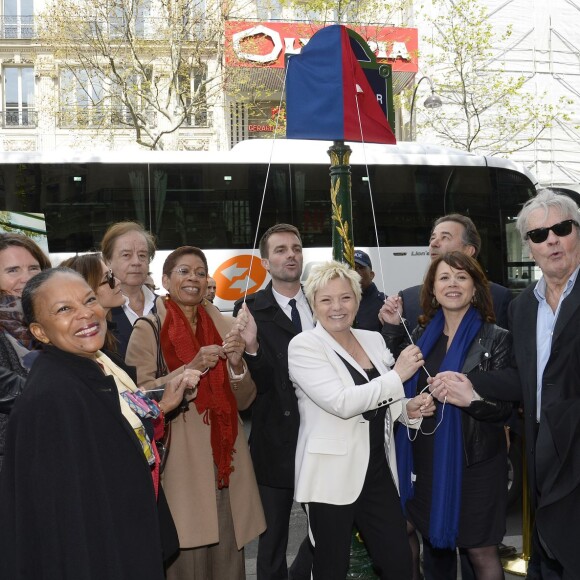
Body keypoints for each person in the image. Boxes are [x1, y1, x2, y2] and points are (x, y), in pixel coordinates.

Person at [0, 267, 201, 579]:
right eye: (64, 309)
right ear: (40, 332)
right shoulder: (53, 395)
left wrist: (161, 408)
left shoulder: (91, 369)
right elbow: (60, 522)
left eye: (89, 300)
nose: (86, 314)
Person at [430, 190, 580, 579]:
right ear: (528, 247)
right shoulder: (523, 305)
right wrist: (470, 384)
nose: (551, 240)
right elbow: (521, 378)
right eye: (537, 234)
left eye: (561, 229)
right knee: (551, 548)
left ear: (576, 232)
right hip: (542, 445)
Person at [287, 260, 435, 580]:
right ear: (313, 304)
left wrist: (408, 410)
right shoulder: (304, 346)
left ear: (357, 298)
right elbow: (341, 403)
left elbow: (384, 401)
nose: (337, 307)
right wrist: (398, 376)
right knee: (331, 567)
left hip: (378, 470)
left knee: (398, 562)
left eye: (345, 297)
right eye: (326, 300)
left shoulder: (373, 339)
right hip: (330, 475)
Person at [126, 246, 265, 580]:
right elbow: (139, 399)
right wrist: (191, 367)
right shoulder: (149, 328)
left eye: (201, 272)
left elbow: (245, 401)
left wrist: (235, 365)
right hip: (181, 467)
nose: (193, 279)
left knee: (230, 564)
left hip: (226, 462)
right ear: (164, 280)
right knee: (186, 563)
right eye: (183, 271)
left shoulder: (225, 325)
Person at [381, 252, 513, 580]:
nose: (452, 284)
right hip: (422, 460)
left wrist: (470, 400)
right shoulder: (418, 335)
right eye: (444, 278)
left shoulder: (497, 338)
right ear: (433, 289)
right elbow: (389, 384)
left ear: (475, 289)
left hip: (476, 463)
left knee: (481, 550)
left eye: (461, 277)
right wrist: (392, 331)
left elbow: (505, 411)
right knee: (405, 530)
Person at [233, 223, 314, 580]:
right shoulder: (249, 308)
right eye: (280, 250)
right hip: (273, 439)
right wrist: (251, 348)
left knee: (328, 531)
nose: (290, 255)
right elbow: (259, 387)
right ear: (266, 262)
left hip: (321, 435)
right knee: (272, 543)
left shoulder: (322, 300)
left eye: (295, 248)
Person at [387, 214, 513, 331]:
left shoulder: (498, 297)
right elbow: (396, 351)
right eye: (432, 238)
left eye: (445, 237)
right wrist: (391, 327)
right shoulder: (408, 299)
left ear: (469, 250)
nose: (433, 244)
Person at [0, 233, 51, 472]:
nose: (27, 278)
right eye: (13, 270)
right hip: (13, 466)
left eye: (34, 267)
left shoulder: (59, 324)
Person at [101, 221, 157, 357]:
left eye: (142, 255)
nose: (136, 262)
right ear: (108, 261)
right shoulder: (100, 310)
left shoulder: (165, 306)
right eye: (126, 255)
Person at [61, 253, 126, 352]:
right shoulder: (86, 343)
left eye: (111, 275)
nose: (117, 282)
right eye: (107, 278)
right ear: (87, 289)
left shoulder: (108, 333)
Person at [353, 249, 385, 332]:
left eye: (360, 267)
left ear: (371, 275)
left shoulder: (384, 304)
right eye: (351, 268)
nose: (355, 272)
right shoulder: (337, 303)